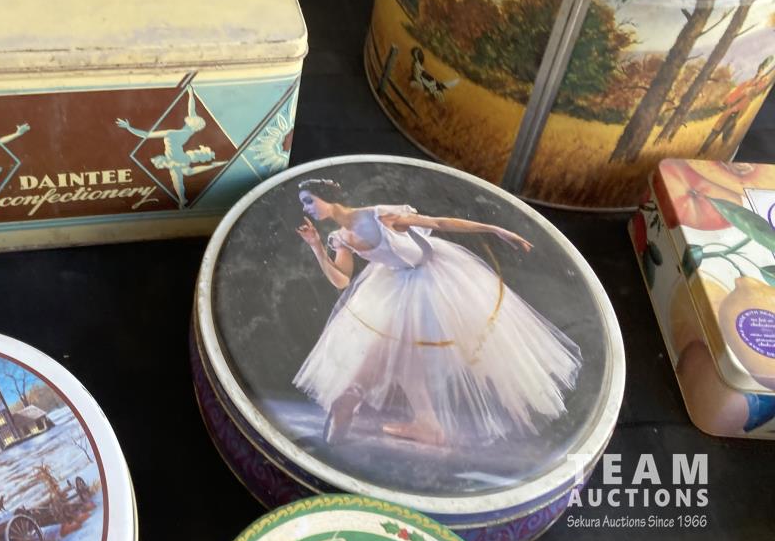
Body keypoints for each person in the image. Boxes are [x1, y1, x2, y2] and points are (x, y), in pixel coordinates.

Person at [292, 178, 581, 448]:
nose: (307, 209)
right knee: (402, 354)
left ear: (327, 197)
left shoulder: (378, 216)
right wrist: (317, 247)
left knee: (401, 349)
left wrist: (495, 229)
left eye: (309, 201)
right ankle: (424, 422)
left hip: (432, 278)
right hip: (396, 283)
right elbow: (342, 280)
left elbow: (438, 222)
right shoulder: (341, 237)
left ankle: (353, 398)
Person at [116, 90, 225, 208]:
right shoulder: (190, 131)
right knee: (186, 173)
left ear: (190, 122)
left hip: (174, 157)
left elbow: (146, 135)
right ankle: (186, 196)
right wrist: (191, 95)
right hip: (179, 156)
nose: (189, 118)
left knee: (180, 177)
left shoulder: (171, 133)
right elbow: (191, 110)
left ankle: (183, 198)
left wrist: (129, 128)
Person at [699, 57, 775, 155]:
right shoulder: (748, 82)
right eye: (760, 68)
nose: (760, 71)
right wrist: (727, 102)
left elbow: (758, 90)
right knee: (716, 130)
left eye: (763, 69)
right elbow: (736, 93)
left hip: (738, 111)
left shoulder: (760, 84)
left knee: (728, 131)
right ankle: (702, 152)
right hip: (730, 110)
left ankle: (723, 151)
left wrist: (759, 83)